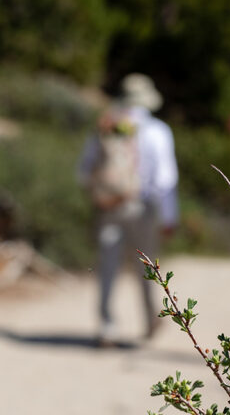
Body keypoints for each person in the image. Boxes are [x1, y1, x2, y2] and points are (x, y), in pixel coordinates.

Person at [77, 73, 179, 347]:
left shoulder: (107, 127)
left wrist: (100, 195)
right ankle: (149, 321)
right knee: (146, 267)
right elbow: (165, 179)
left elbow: (83, 170)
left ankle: (107, 327)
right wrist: (169, 217)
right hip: (142, 208)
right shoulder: (158, 130)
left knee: (107, 267)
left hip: (109, 207)